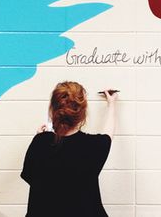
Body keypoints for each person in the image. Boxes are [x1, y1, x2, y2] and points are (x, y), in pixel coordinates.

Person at [21, 81, 118, 217]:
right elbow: (109, 133)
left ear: (52, 110)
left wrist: (39, 140)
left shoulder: (40, 143)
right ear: (82, 114)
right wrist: (111, 104)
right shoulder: (93, 146)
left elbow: (29, 175)